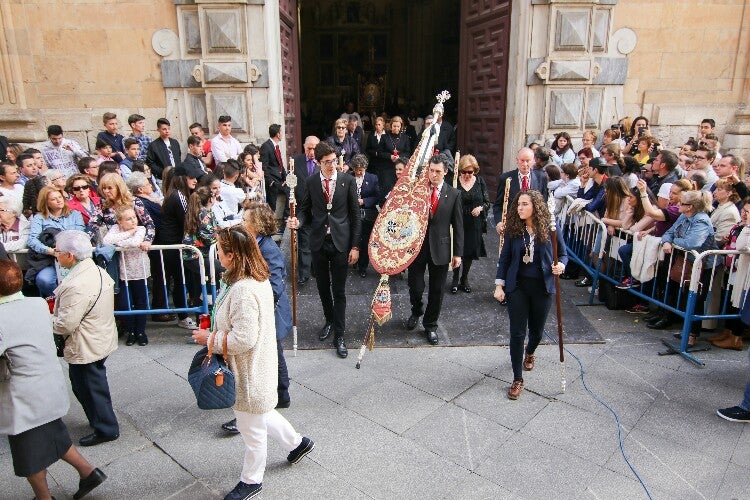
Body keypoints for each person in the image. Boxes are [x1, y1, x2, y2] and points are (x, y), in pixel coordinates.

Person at [191, 226, 314, 500]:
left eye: (220, 251)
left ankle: (251, 481)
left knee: (251, 430)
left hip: (247, 372)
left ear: (233, 255)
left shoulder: (244, 289)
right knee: (262, 412)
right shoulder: (253, 279)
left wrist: (209, 338)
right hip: (257, 369)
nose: (217, 255)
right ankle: (298, 443)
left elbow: (243, 339)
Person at [0, 260, 107, 500]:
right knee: (54, 433)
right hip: (47, 384)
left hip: (23, 394)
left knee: (28, 453)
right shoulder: (37, 303)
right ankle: (88, 472)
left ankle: (43, 498)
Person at [222, 202, 296, 434]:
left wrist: (256, 302)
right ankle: (279, 395)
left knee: (271, 354)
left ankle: (279, 395)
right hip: (264, 311)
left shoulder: (268, 249)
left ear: (257, 225)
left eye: (245, 220)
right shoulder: (254, 244)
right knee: (272, 353)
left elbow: (275, 284)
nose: (242, 223)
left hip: (269, 312)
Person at [287, 141, 361, 358]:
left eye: (334, 161)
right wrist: (297, 222)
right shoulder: (310, 181)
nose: (332, 166)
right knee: (322, 287)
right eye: (327, 162)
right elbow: (304, 210)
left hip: (340, 243)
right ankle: (329, 320)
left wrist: (355, 246)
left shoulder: (347, 181)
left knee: (338, 290)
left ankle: (340, 334)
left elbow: (355, 216)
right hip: (318, 242)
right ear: (318, 163)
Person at [493, 190, 567, 400]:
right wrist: (499, 285)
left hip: (543, 287)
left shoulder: (550, 228)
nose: (520, 208)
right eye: (518, 205)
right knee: (517, 332)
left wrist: (560, 265)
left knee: (537, 332)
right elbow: (505, 258)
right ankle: (517, 378)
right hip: (517, 286)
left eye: (525, 204)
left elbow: (563, 253)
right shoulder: (514, 230)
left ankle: (531, 351)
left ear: (536, 206)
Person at [52, 230, 119, 446]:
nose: (56, 254)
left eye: (58, 251)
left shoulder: (76, 284)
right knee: (86, 385)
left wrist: (45, 321)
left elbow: (65, 324)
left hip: (87, 344)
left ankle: (106, 428)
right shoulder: (95, 270)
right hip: (97, 338)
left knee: (90, 387)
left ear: (70, 255)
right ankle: (99, 421)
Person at [406, 154, 463, 345]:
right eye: (431, 170)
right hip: (417, 247)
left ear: (445, 172)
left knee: (437, 290)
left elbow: (458, 225)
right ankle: (416, 310)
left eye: (438, 171)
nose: (434, 175)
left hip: (441, 248)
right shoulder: (418, 190)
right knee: (415, 285)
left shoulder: (454, 194)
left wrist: (457, 253)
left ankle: (430, 325)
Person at [103, 206, 151, 346]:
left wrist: (118, 242)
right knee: (125, 303)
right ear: (119, 221)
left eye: (134, 217)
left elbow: (135, 242)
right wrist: (129, 232)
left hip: (139, 271)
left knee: (140, 301)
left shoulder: (141, 229)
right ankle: (130, 331)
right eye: (128, 219)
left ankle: (140, 331)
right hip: (123, 272)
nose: (133, 221)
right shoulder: (116, 229)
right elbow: (107, 241)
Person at [27, 186, 85, 297]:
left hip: (72, 257)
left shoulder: (75, 214)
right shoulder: (39, 218)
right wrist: (49, 250)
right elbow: (32, 240)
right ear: (46, 203)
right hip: (49, 259)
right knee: (44, 280)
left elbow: (81, 235)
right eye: (54, 199)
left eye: (60, 197)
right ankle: (59, 300)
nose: (59, 200)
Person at [450, 154, 488, 294]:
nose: (466, 175)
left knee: (469, 252)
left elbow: (486, 202)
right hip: (458, 221)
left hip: (474, 223)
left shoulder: (480, 181)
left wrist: (480, 208)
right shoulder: (454, 181)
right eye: (464, 171)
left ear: (475, 171)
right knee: (456, 250)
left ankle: (464, 278)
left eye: (470, 172)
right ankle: (455, 279)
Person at [492, 147, 549, 236]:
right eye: (522, 160)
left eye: (528, 160)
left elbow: (544, 203)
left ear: (533, 160)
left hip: (533, 227)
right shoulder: (506, 178)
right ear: (517, 160)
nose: (525, 164)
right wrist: (499, 222)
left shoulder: (541, 177)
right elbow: (498, 205)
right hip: (512, 228)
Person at [290, 136, 320, 284]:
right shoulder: (295, 162)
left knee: (318, 242)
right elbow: (290, 182)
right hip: (302, 208)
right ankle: (303, 273)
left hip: (319, 210)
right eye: (309, 148)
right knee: (304, 243)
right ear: (304, 147)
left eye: (315, 148)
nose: (312, 151)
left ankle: (317, 269)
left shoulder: (323, 163)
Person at [351, 154, 380, 277]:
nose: (358, 172)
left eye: (361, 170)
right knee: (353, 238)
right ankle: (353, 261)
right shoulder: (348, 178)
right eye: (356, 170)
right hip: (352, 214)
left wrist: (364, 201)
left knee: (365, 241)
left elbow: (377, 196)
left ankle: (363, 266)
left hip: (367, 214)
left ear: (365, 168)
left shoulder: (372, 178)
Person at [260, 123, 288, 227]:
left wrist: (285, 177)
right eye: (281, 132)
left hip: (280, 180)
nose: (282, 134)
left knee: (291, 192)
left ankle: (286, 218)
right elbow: (264, 165)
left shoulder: (276, 146)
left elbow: (280, 164)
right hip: (273, 182)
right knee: (272, 206)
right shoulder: (266, 146)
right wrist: (270, 181)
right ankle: (268, 226)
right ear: (277, 134)